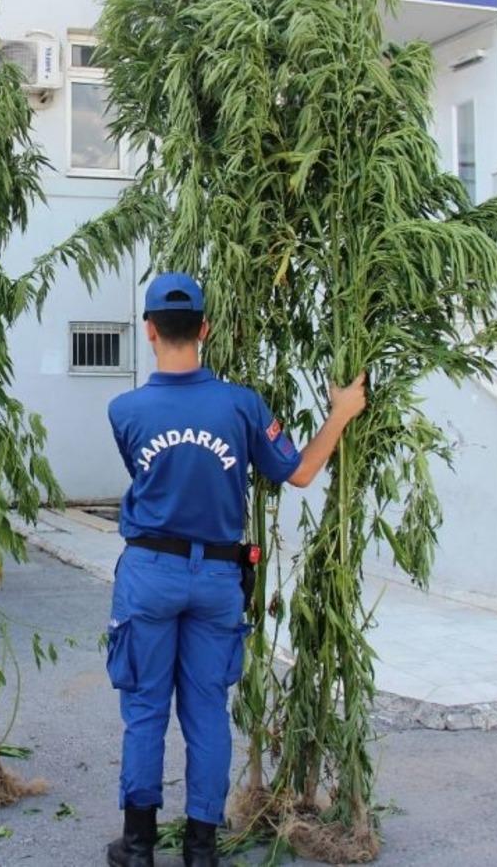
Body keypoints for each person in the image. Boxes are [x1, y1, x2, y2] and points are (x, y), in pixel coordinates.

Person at [103, 272, 367, 867]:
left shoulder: (125, 410)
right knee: (206, 712)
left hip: (150, 572)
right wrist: (342, 413)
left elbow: (145, 475)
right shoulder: (241, 405)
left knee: (145, 710)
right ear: (205, 328)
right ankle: (201, 848)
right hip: (218, 578)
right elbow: (299, 472)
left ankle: (139, 845)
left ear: (148, 331)